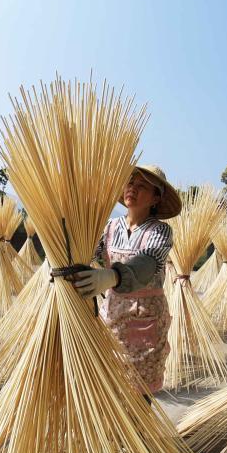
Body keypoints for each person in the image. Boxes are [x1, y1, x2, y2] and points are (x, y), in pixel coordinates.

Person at [72, 164, 181, 393]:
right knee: (109, 388)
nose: (133, 188)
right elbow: (86, 252)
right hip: (111, 316)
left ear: (155, 198)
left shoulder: (160, 232)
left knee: (140, 392)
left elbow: (148, 262)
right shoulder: (110, 227)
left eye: (142, 186)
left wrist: (114, 275)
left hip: (144, 318)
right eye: (130, 183)